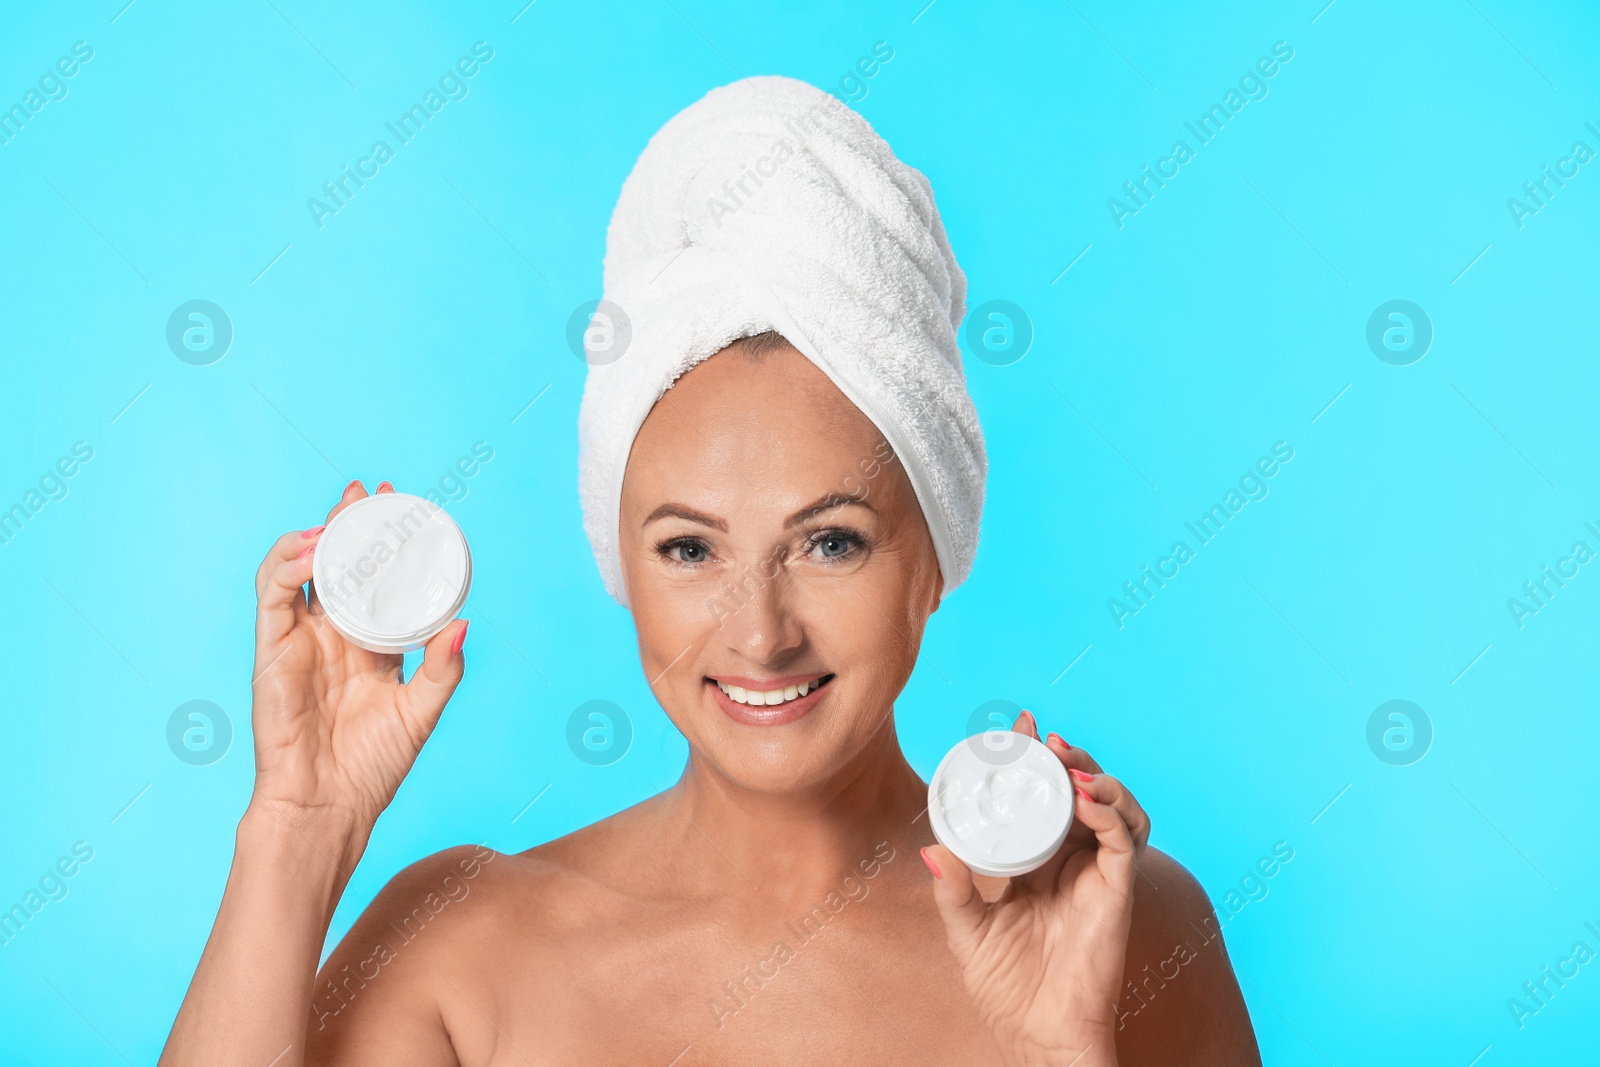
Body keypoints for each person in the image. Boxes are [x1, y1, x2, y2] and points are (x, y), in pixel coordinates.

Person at [162, 78, 1260, 1067]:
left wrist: (1062, 1050)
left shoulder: (1122, 930)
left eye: (830, 541)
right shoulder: (459, 942)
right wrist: (298, 831)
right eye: (689, 548)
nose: (760, 631)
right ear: (623, 571)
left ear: (934, 556)